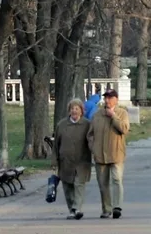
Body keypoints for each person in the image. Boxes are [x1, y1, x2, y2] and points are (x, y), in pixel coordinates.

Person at [88, 87, 129, 218]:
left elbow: (124, 129)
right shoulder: (97, 115)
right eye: (106, 98)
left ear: (116, 99)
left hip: (116, 153)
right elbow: (90, 134)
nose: (107, 100)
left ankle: (117, 206)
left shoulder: (122, 113)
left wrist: (114, 117)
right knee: (102, 183)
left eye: (110, 98)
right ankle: (106, 209)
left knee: (117, 179)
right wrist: (93, 148)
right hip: (100, 154)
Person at [52, 98, 92, 220]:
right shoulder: (61, 125)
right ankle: (71, 209)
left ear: (81, 111)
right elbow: (56, 145)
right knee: (67, 186)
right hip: (65, 161)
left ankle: (77, 208)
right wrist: (54, 160)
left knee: (79, 184)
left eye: (77, 108)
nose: (74, 111)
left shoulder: (87, 124)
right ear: (69, 111)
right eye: (72, 109)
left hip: (82, 161)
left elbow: (92, 141)